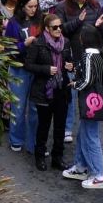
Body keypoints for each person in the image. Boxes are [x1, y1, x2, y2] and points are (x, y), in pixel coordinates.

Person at [24, 14, 72, 171]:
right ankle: (40, 156)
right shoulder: (38, 44)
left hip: (61, 89)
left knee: (60, 127)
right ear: (47, 29)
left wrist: (71, 66)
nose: (59, 30)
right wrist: (45, 69)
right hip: (45, 91)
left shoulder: (66, 43)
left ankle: (57, 157)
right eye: (55, 27)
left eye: (60, 27)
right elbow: (28, 65)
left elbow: (71, 60)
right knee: (43, 126)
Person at [69, 19, 103, 189]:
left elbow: (86, 80)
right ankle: (81, 166)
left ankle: (99, 175)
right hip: (99, 101)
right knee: (83, 134)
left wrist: (74, 84)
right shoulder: (101, 55)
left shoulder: (88, 55)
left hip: (89, 102)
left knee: (90, 137)